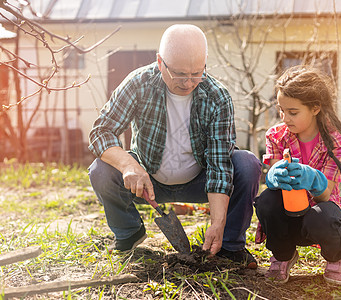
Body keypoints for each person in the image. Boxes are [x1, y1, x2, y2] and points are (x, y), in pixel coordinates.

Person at [88, 24, 262, 268]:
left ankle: (230, 246)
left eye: (196, 73)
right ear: (160, 63)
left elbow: (220, 164)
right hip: (147, 183)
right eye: (180, 74)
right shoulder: (139, 84)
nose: (189, 82)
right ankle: (129, 235)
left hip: (199, 182)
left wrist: (217, 222)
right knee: (100, 170)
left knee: (246, 164)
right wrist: (129, 166)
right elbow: (100, 132)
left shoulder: (217, 96)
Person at [254, 65, 341, 285]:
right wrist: (274, 175)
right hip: (288, 214)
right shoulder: (276, 136)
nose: (285, 118)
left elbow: (325, 195)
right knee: (265, 201)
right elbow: (274, 185)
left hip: (319, 215)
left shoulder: (336, 141)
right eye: (281, 110)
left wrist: (312, 177)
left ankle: (336, 257)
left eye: (293, 112)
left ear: (315, 108)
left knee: (324, 216)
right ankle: (283, 255)